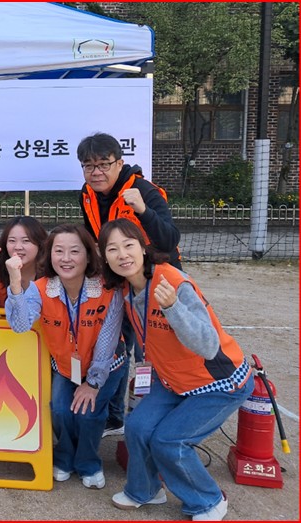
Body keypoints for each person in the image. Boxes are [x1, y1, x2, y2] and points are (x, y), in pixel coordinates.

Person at [99, 218, 253, 521]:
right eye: (112, 249)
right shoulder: (125, 289)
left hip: (217, 383)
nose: (122, 255)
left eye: (128, 245)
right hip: (172, 381)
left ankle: (208, 500)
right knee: (138, 427)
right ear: (104, 256)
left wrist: (173, 308)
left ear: (144, 248)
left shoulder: (173, 281)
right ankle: (145, 491)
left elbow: (208, 345)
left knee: (169, 441)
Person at [77, 132, 182, 438]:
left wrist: (144, 212)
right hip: (117, 282)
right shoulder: (86, 193)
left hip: (157, 282)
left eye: (103, 164)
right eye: (89, 166)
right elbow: (93, 236)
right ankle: (115, 417)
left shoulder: (144, 191)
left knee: (154, 349)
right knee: (117, 346)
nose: (96, 172)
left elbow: (169, 239)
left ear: (119, 163)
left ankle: (161, 416)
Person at [5, 223, 125, 489]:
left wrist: (93, 383)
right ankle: (65, 457)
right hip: (64, 366)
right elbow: (21, 325)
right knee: (60, 410)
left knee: (89, 413)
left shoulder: (108, 289)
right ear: (50, 255)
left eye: (74, 251)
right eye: (59, 251)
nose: (66, 258)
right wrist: (15, 282)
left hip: (105, 366)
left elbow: (107, 342)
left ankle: (88, 463)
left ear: (88, 254)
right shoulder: (40, 288)